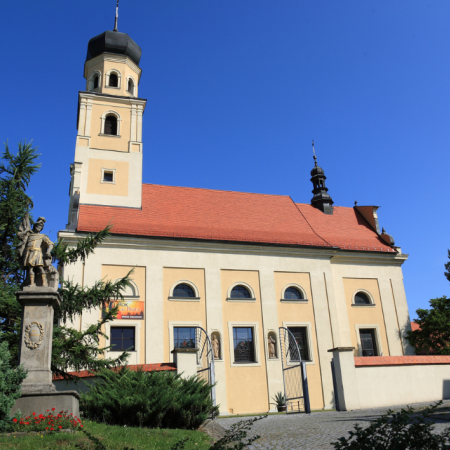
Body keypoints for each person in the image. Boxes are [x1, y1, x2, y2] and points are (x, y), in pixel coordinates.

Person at [18, 216, 54, 287]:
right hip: (28, 253)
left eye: (40, 227)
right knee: (30, 268)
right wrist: (26, 230)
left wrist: (49, 251)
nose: (39, 228)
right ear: (35, 226)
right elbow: (19, 235)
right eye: (38, 226)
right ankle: (31, 284)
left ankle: (44, 283)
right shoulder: (29, 235)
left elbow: (50, 244)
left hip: (37, 253)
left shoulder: (42, 236)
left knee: (40, 268)